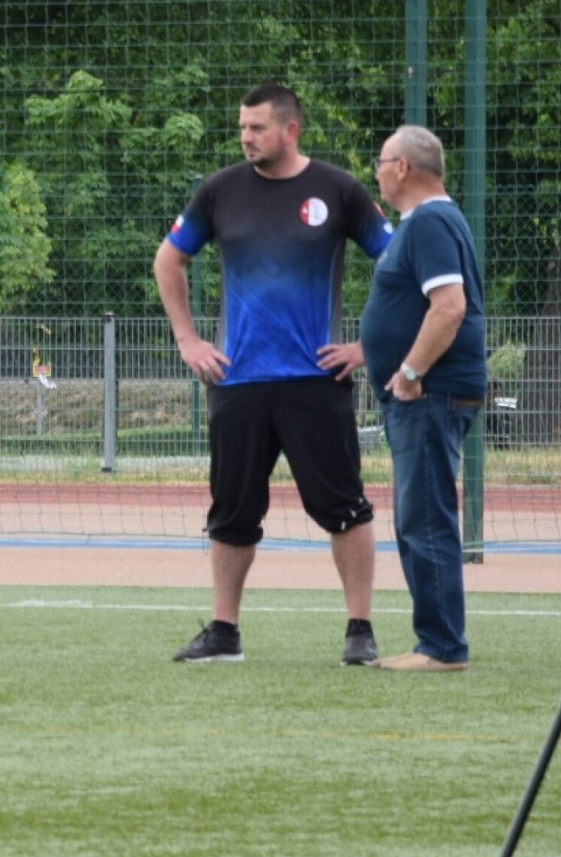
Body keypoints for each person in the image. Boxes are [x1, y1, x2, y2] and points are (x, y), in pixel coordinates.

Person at [154, 82, 392, 666]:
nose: (245, 136)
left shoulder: (339, 191)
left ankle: (359, 630)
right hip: (237, 382)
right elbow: (169, 259)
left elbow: (400, 265)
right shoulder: (219, 191)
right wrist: (188, 340)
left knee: (344, 506)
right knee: (231, 512)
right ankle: (223, 633)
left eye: (257, 127)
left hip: (316, 382)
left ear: (290, 130)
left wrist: (367, 346)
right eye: (241, 126)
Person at [327, 125, 486, 672]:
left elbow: (449, 306)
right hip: (428, 392)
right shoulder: (426, 224)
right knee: (421, 516)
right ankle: (439, 641)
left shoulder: (432, 222)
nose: (375, 170)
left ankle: (442, 648)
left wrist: (412, 370)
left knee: (424, 519)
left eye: (381, 161)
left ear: (403, 168)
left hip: (429, 393)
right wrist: (369, 349)